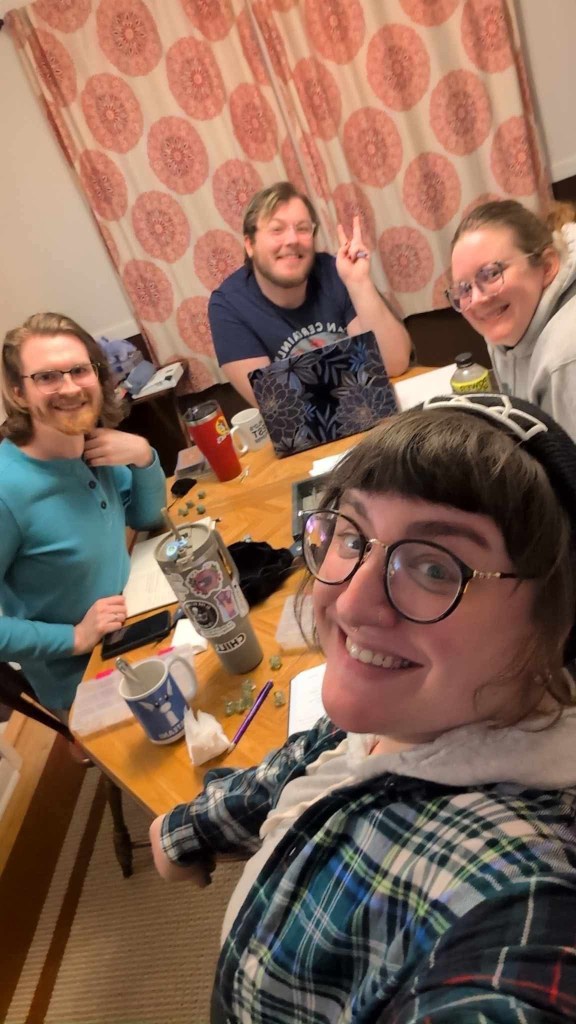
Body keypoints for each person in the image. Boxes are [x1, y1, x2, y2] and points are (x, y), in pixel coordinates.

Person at [150, 392, 576, 1022]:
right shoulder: (406, 715)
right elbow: (309, 767)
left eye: (434, 568)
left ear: (555, 622)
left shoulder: (513, 897)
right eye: (352, 537)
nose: (350, 604)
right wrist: (184, 832)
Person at [0, 312, 166, 713]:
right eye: (47, 377)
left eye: (79, 370)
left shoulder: (87, 442)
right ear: (18, 393)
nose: (70, 387)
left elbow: (145, 518)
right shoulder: (7, 490)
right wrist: (73, 637)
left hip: (137, 619)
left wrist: (143, 456)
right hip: (85, 678)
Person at [208, 181, 412, 404]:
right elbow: (279, 406)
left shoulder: (335, 272)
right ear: (250, 244)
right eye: (277, 229)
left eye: (303, 228)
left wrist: (359, 282)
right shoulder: (229, 306)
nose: (292, 240)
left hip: (372, 407)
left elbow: (394, 363)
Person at [448, 198, 576, 439]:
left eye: (491, 274)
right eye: (464, 288)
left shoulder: (566, 358)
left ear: (547, 266)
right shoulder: (507, 328)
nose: (476, 300)